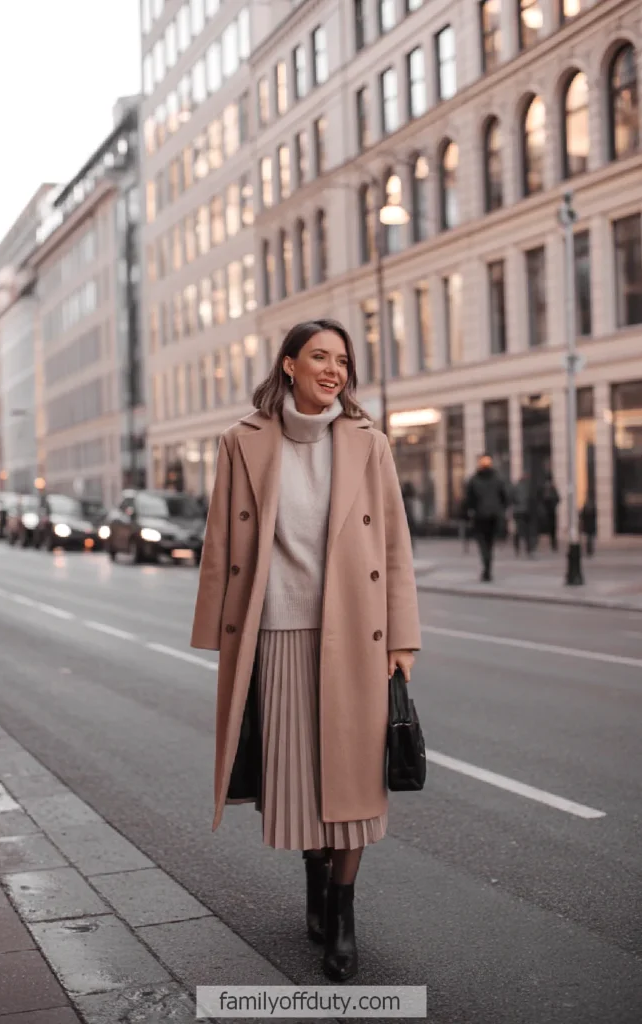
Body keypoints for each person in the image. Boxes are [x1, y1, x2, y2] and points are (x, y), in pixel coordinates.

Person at [190, 319, 421, 982]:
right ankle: (316, 880)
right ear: (288, 364)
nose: (333, 370)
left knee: (352, 787)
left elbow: (394, 548)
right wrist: (219, 633)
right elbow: (220, 544)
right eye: (319, 357)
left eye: (342, 360)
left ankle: (341, 915)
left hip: (355, 634)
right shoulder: (244, 441)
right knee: (301, 784)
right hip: (277, 634)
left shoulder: (366, 443)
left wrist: (402, 638)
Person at [465, 453, 509, 581]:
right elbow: (504, 497)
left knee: (484, 543)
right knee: (489, 543)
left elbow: (469, 500)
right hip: (492, 516)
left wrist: (469, 512)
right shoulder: (497, 478)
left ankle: (486, 567)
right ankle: (487, 567)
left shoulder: (474, 479)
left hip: (481, 516)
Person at [511, 471, 537, 556]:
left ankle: (519, 548)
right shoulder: (526, 488)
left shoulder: (518, 487)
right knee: (525, 531)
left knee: (520, 531)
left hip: (520, 511)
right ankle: (526, 549)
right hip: (523, 512)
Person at [540, 473, 560, 551]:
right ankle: (552, 544)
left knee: (552, 529)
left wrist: (553, 505)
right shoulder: (544, 489)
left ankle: (553, 544)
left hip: (551, 512)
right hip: (546, 512)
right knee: (548, 528)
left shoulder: (552, 489)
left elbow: (558, 499)